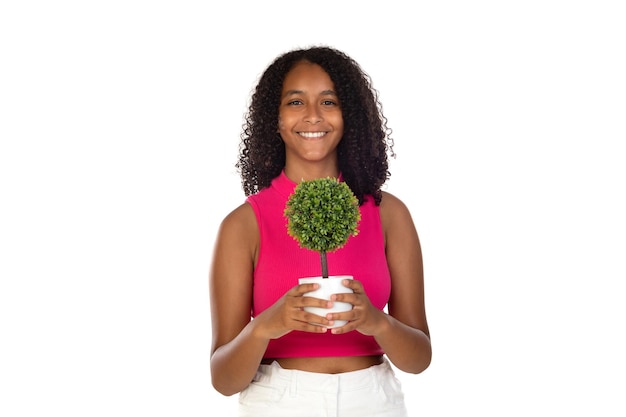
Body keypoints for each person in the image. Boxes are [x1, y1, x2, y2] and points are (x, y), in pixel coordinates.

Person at [209, 45, 431, 417]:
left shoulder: (388, 213)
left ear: (349, 116)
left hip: (373, 401)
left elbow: (419, 358)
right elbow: (223, 378)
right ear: (274, 118)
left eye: (329, 102)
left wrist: (377, 321)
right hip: (279, 402)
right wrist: (267, 326)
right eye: (295, 102)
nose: (313, 116)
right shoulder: (244, 224)